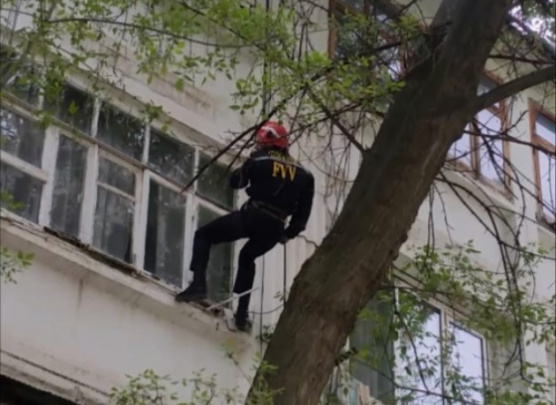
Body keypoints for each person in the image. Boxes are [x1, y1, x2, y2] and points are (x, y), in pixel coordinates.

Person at [175, 121, 315, 332]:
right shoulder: (305, 175)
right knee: (248, 257)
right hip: (276, 226)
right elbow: (302, 215)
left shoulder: (259, 159)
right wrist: (287, 234)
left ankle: (198, 285)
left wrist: (247, 163)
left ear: (266, 142)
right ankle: (242, 315)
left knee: (204, 235)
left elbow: (236, 182)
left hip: (253, 216)